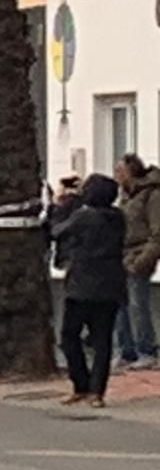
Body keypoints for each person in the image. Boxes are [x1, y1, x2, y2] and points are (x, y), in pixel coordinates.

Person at [52, 174, 127, 406]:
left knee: (68, 336)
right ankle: (97, 391)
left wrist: (61, 204)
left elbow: (57, 231)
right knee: (102, 339)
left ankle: (80, 384)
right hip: (110, 285)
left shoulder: (84, 217)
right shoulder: (118, 218)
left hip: (81, 286)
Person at [113, 154, 160, 370]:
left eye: (119, 171)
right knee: (121, 305)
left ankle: (146, 350)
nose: (116, 176)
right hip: (122, 256)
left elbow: (156, 232)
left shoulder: (151, 195)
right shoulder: (126, 196)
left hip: (139, 254)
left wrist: (143, 259)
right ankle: (126, 349)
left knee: (137, 303)